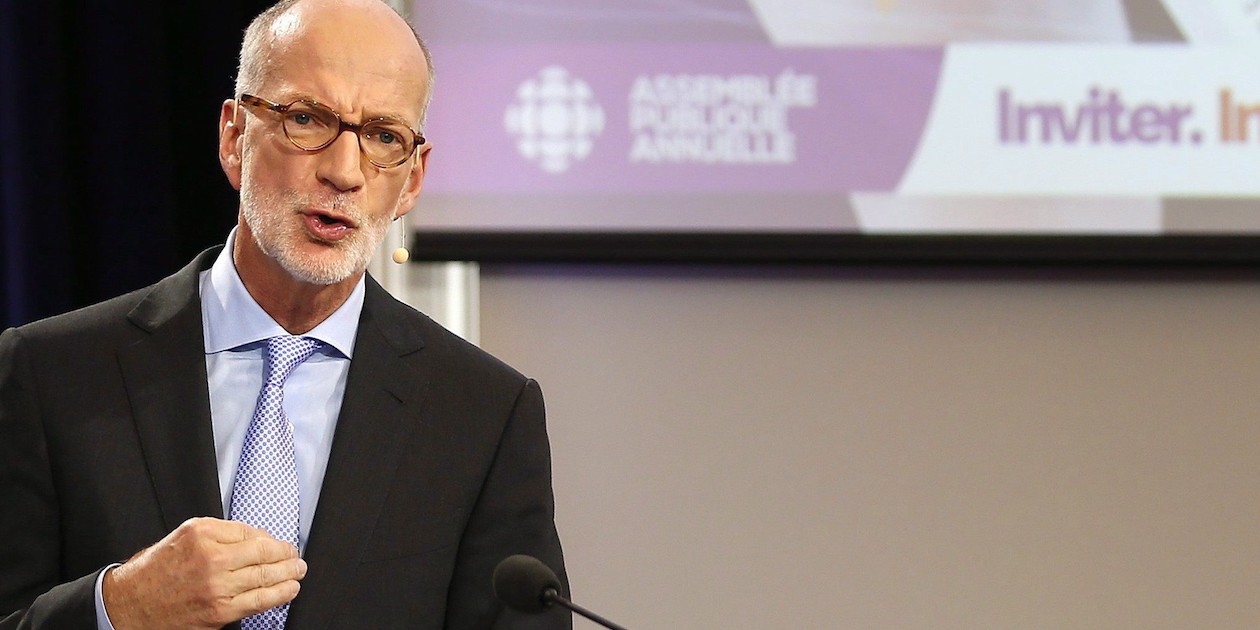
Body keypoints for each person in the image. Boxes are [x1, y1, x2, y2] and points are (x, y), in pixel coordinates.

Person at [0, 0, 569, 628]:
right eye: (306, 119)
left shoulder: (484, 414)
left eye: (383, 137)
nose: (344, 171)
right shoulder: (49, 373)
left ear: (411, 180)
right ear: (235, 137)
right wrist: (116, 609)